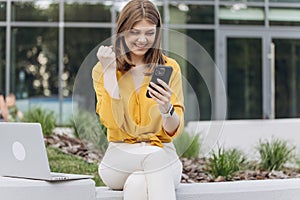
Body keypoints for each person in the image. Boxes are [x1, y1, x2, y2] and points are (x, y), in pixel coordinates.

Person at [92, 0, 185, 199]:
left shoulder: (171, 68)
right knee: (154, 157)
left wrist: (166, 108)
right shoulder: (103, 69)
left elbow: (172, 130)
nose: (142, 40)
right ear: (122, 30)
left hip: (163, 151)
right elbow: (111, 122)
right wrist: (109, 73)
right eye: (135, 32)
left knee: (138, 183)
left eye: (150, 33)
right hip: (119, 156)